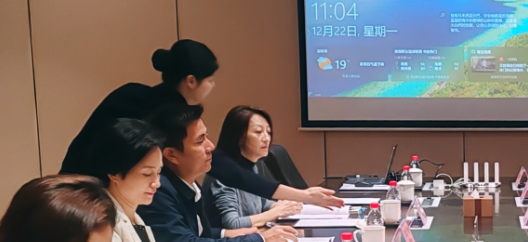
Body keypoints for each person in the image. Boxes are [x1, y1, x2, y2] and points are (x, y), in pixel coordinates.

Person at [61, 40, 343, 211]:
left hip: (87, 185)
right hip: (91, 192)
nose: (212, 87)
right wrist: (302, 196)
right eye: (210, 80)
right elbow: (228, 170)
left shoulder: (135, 95)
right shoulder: (167, 115)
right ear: (191, 81)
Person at [89, 119, 236, 242]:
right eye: (146, 174)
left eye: (158, 173)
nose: (156, 183)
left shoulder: (134, 216)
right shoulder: (102, 221)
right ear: (114, 173)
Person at [137, 104, 296, 242]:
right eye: (200, 141)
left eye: (207, 137)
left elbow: (197, 233)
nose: (210, 146)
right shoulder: (158, 191)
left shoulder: (188, 185)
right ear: (171, 154)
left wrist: (226, 234)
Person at [210, 106, 302, 229]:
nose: (266, 138)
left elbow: (259, 203)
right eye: (258, 132)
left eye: (268, 132)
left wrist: (279, 206)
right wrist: (277, 212)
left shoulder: (250, 165)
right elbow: (233, 223)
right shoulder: (224, 173)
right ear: (238, 137)